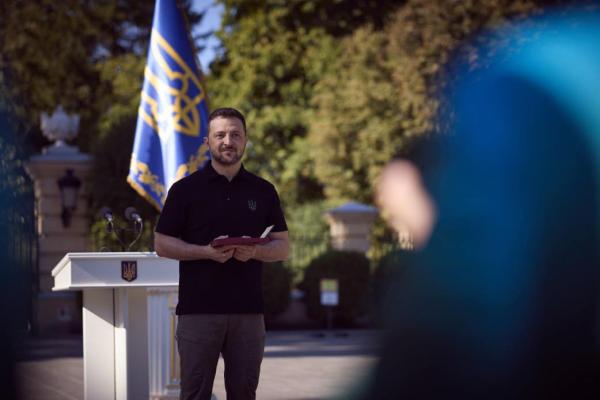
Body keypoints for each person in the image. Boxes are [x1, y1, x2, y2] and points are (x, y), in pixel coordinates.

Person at [154, 107, 290, 400]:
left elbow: (283, 247)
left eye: (235, 135)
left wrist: (253, 252)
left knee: (244, 394)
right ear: (207, 141)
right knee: (194, 395)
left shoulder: (264, 190)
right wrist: (205, 252)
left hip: (249, 314)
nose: (228, 141)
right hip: (198, 312)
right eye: (220, 135)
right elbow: (161, 244)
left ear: (245, 140)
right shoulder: (184, 190)